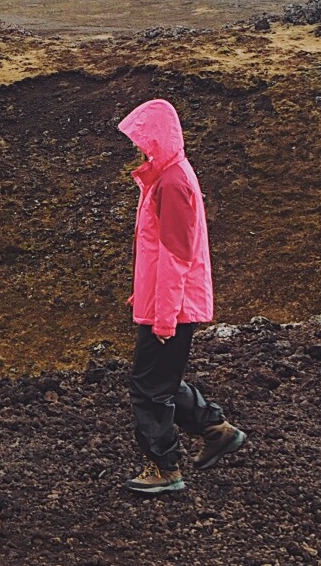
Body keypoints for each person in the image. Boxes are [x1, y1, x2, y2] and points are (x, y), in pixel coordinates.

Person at [117, 97, 247, 494]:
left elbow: (177, 254)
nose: (138, 147)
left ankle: (164, 468)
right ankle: (216, 429)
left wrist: (163, 316)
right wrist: (144, 293)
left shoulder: (172, 182)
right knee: (163, 380)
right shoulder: (166, 175)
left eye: (141, 138)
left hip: (172, 305)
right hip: (166, 300)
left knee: (148, 387)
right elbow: (162, 250)